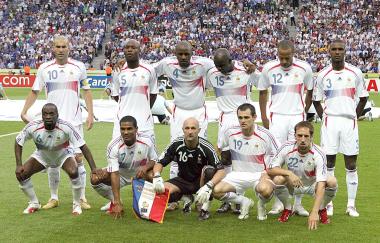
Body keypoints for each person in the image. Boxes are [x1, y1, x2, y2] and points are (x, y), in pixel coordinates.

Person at [20, 35, 94, 210]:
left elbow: (87, 91)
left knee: (78, 158)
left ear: (69, 48)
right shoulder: (44, 68)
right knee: (52, 158)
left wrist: (90, 114)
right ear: (52, 48)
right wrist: (24, 111)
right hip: (51, 123)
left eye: (64, 46)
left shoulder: (79, 67)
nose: (61, 50)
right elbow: (34, 91)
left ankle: (82, 197)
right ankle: (54, 198)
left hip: (74, 122)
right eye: (57, 47)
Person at [313, 39, 369, 217]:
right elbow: (316, 100)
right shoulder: (322, 75)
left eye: (340, 49)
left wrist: (355, 116)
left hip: (349, 123)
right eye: (334, 49)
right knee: (328, 164)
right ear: (329, 51)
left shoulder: (355, 72)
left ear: (345, 51)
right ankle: (328, 204)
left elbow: (363, 98)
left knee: (351, 164)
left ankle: (351, 205)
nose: (337, 52)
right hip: (330, 123)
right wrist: (325, 118)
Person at [15, 103, 103, 215]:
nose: (48, 117)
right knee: (22, 174)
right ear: (41, 116)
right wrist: (18, 164)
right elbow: (18, 142)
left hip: (63, 155)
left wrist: (93, 168)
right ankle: (34, 203)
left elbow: (83, 147)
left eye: (51, 114)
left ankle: (76, 205)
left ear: (57, 115)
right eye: (45, 114)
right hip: (42, 156)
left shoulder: (66, 126)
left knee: (74, 171)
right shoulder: (33, 126)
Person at [257, 40, 313, 216]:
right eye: (281, 58)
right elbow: (262, 92)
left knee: (298, 159)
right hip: (277, 118)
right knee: (276, 159)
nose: (283, 61)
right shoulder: (269, 68)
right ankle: (279, 202)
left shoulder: (304, 68)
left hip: (296, 117)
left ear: (293, 54)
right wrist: (265, 117)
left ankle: (298, 203)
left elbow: (310, 91)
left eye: (287, 58)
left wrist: (302, 112)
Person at [206, 48, 260, 213]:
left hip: (243, 117)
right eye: (217, 66)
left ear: (230, 60)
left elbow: (261, 81)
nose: (220, 69)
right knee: (225, 159)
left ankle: (239, 196)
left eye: (222, 65)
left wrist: (254, 67)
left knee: (241, 158)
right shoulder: (212, 73)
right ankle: (229, 199)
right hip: (225, 119)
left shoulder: (245, 69)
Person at [211, 103, 279, 220]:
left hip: (259, 175)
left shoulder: (265, 134)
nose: (243, 121)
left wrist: (268, 171)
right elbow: (218, 148)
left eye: (246, 117)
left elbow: (278, 154)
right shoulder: (230, 132)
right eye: (240, 117)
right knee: (216, 191)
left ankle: (261, 204)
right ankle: (244, 201)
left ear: (254, 117)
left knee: (266, 190)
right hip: (237, 174)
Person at [267, 121, 337, 230]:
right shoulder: (286, 147)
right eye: (299, 136)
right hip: (293, 185)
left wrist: (314, 212)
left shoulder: (319, 153)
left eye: (306, 136)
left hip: (312, 186)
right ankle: (287, 208)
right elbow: (270, 169)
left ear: (312, 137)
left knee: (331, 181)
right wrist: (289, 173)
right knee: (278, 179)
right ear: (295, 136)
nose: (303, 139)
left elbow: (321, 183)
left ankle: (321, 209)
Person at [152, 117, 225, 220]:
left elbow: (221, 171)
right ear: (183, 130)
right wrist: (157, 176)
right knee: (160, 192)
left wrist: (209, 186)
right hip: (182, 181)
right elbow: (160, 162)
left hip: (200, 182)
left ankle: (205, 206)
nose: (190, 131)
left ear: (199, 130)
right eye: (187, 128)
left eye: (193, 128)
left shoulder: (206, 146)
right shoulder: (176, 144)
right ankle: (186, 197)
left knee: (210, 171)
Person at [91, 116, 158, 219]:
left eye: (129, 129)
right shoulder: (113, 146)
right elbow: (115, 173)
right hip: (121, 175)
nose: (126, 132)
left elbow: (154, 160)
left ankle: (151, 204)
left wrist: (145, 167)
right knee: (95, 178)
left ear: (136, 129)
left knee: (153, 175)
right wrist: (117, 202)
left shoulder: (147, 140)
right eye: (123, 129)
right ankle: (114, 201)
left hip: (140, 175)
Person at [110, 39, 158, 141]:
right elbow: (115, 95)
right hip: (122, 120)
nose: (130, 50)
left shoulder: (149, 70)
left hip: (144, 122)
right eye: (127, 48)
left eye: (133, 48)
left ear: (139, 50)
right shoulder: (118, 71)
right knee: (118, 153)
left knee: (148, 154)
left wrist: (145, 108)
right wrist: (126, 103)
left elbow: (153, 93)